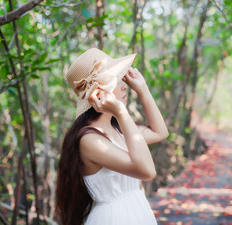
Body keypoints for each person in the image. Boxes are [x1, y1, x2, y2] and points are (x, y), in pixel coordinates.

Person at [56, 48, 168, 225]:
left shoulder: (117, 129)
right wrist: (122, 112)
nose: (124, 85)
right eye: (116, 80)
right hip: (113, 218)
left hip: (137, 212)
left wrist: (143, 90)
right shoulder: (89, 139)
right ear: (98, 90)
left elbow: (160, 132)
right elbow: (147, 171)